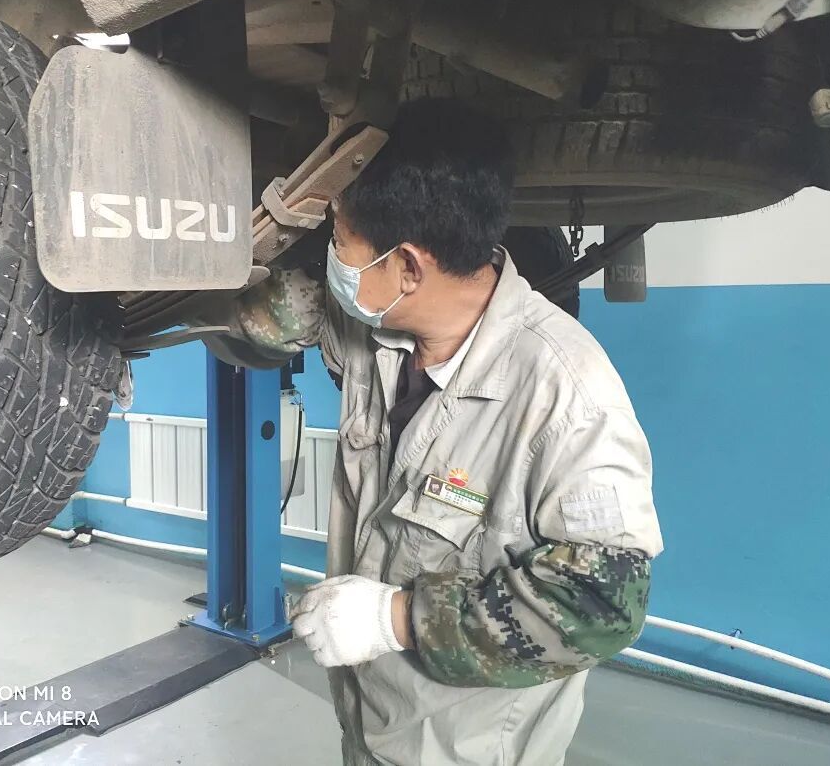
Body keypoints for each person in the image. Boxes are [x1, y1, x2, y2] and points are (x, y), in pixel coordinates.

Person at [197, 99, 663, 766]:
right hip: (370, 730)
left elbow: (603, 607)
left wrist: (395, 620)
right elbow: (265, 316)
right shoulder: (374, 328)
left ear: (409, 267)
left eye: (341, 239)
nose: (333, 257)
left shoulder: (566, 395)